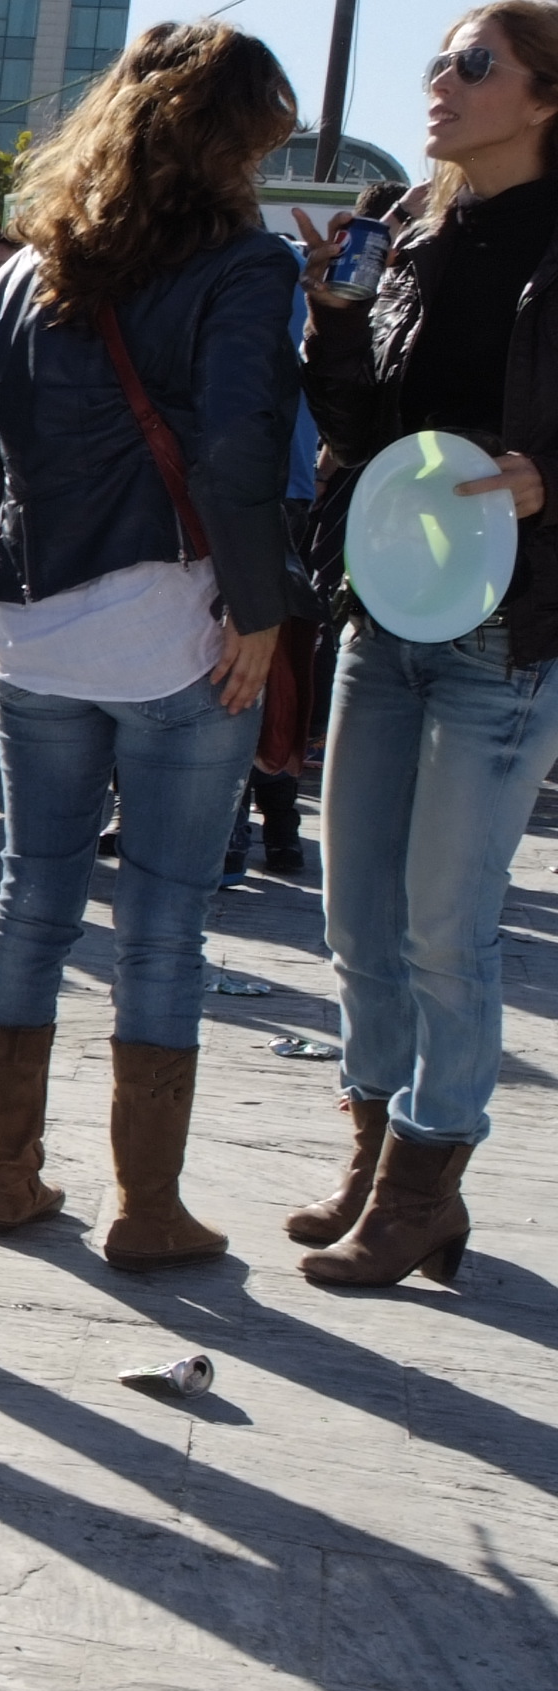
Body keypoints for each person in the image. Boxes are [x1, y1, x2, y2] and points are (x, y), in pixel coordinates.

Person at [0, 21, 303, 1270]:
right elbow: (241, 447)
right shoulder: (246, 266)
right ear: (231, 140)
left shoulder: (20, 271)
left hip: (33, 627)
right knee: (162, 920)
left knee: (30, 894)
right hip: (175, 624)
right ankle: (146, 1209)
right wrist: (260, 606)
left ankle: (4, 1179)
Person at [291, 0, 558, 1287]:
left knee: (447, 922)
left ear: (546, 95)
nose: (438, 82)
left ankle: (423, 1181)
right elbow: (356, 428)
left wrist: (552, 479)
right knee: (356, 915)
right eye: (439, 60)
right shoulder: (411, 231)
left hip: (510, 626)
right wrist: (334, 321)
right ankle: (372, 1151)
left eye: (472, 62)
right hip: (385, 603)